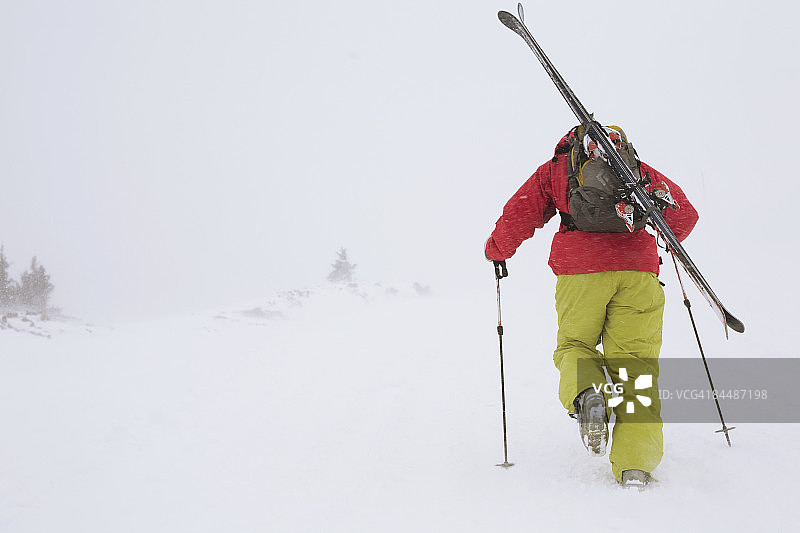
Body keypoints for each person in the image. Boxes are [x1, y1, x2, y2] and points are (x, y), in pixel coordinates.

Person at [484, 125, 698, 487]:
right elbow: (683, 217)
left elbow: (520, 212)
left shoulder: (556, 169)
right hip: (637, 274)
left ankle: (587, 392)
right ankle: (635, 466)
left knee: (575, 346)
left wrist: (497, 250)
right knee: (636, 369)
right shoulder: (636, 170)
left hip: (580, 271)